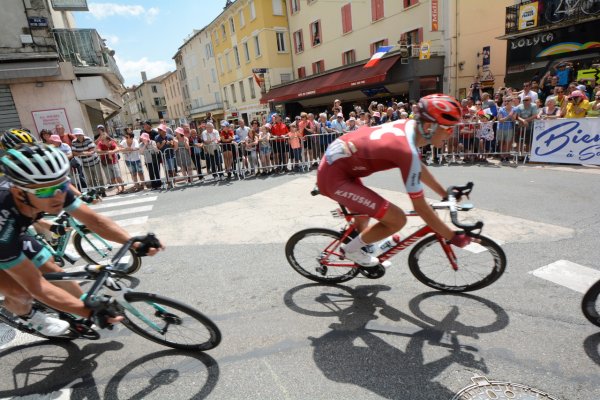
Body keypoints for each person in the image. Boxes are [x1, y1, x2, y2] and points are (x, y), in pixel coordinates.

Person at [0, 144, 163, 336]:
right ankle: (28, 315)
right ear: (19, 193)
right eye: (45, 192)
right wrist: (90, 312)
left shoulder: (50, 189)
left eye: (62, 186)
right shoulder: (4, 222)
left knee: (53, 270)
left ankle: (82, 305)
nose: (58, 196)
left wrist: (134, 242)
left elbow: (95, 221)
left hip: (15, 231)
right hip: (4, 237)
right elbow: (37, 285)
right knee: (22, 292)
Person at [316, 94, 470, 267]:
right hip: (335, 177)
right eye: (448, 129)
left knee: (365, 218)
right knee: (397, 220)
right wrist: (452, 236)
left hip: (341, 164)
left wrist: (444, 193)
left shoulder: (411, 127)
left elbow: (416, 167)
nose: (451, 134)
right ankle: (350, 250)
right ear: (429, 126)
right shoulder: (406, 150)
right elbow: (421, 208)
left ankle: (360, 244)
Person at [70, 128, 106, 195]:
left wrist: (81, 153)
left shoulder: (88, 139)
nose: (78, 136)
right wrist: (83, 153)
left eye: (80, 134)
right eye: (77, 135)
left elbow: (91, 151)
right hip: (85, 164)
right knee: (91, 179)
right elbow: (74, 152)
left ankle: (103, 191)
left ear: (82, 134)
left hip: (94, 162)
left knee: (99, 177)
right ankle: (96, 192)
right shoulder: (74, 142)